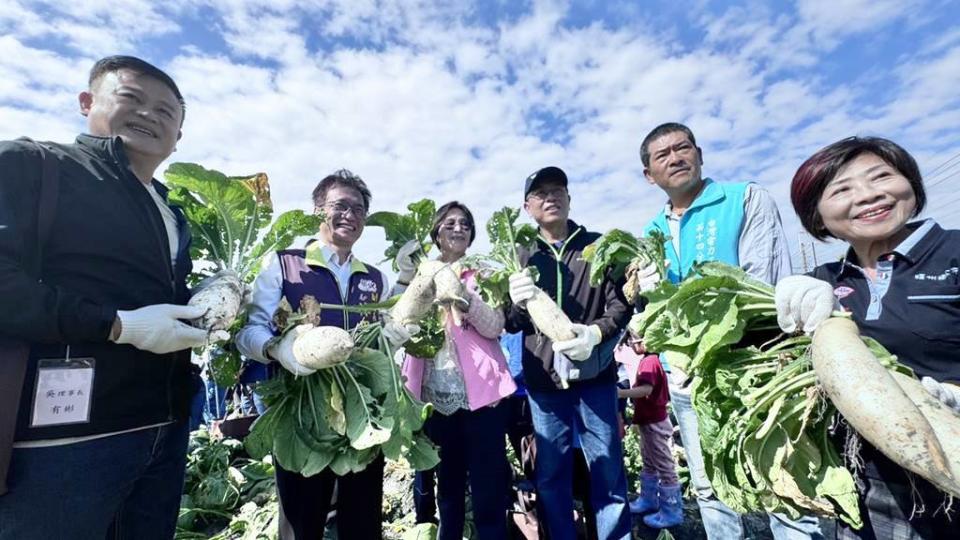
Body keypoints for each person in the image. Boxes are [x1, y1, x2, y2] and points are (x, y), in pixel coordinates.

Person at [0, 55, 213, 539]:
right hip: (59, 444)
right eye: (132, 99)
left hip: (163, 431)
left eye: (166, 112)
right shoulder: (32, 165)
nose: (149, 116)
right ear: (86, 102)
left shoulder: (172, 213)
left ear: (178, 136)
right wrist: (117, 325)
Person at [635, 122, 823, 539]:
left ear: (700, 155)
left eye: (682, 148)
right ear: (650, 176)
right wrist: (648, 298)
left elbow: (763, 286)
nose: (675, 158)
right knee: (709, 487)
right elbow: (659, 311)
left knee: (783, 488)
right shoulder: (650, 232)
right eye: (662, 156)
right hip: (688, 381)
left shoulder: (745, 198)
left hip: (753, 370)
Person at [774, 136, 959, 539]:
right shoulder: (823, 282)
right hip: (867, 483)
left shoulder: (954, 253)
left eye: (881, 177)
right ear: (818, 217)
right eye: (842, 190)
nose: (869, 195)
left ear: (910, 184)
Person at [235, 170, 389, 540]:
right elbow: (247, 332)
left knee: (362, 521)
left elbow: (380, 342)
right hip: (301, 417)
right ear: (318, 209)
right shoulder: (284, 264)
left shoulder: (374, 277)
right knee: (303, 524)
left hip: (359, 415)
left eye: (359, 209)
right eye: (340, 206)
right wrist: (277, 348)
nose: (350, 215)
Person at [505, 166, 632, 540]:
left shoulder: (598, 247)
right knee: (551, 475)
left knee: (608, 471)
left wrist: (596, 333)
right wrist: (513, 302)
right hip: (544, 384)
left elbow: (621, 305)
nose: (551, 197)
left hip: (595, 377)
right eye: (541, 193)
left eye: (558, 189)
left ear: (569, 198)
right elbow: (510, 323)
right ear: (528, 207)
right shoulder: (522, 256)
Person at [384, 201, 517, 540]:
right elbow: (398, 319)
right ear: (436, 233)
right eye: (450, 224)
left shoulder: (483, 273)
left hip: (483, 397)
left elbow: (496, 326)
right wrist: (407, 277)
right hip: (436, 397)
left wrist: (465, 299)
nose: (458, 229)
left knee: (489, 486)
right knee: (449, 487)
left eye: (465, 224)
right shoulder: (421, 273)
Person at [618, 336, 682, 528]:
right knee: (649, 461)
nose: (630, 343)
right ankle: (648, 500)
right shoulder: (649, 360)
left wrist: (620, 393)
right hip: (648, 420)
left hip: (655, 422)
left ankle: (672, 511)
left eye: (634, 339)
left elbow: (646, 389)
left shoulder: (649, 362)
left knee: (664, 465)